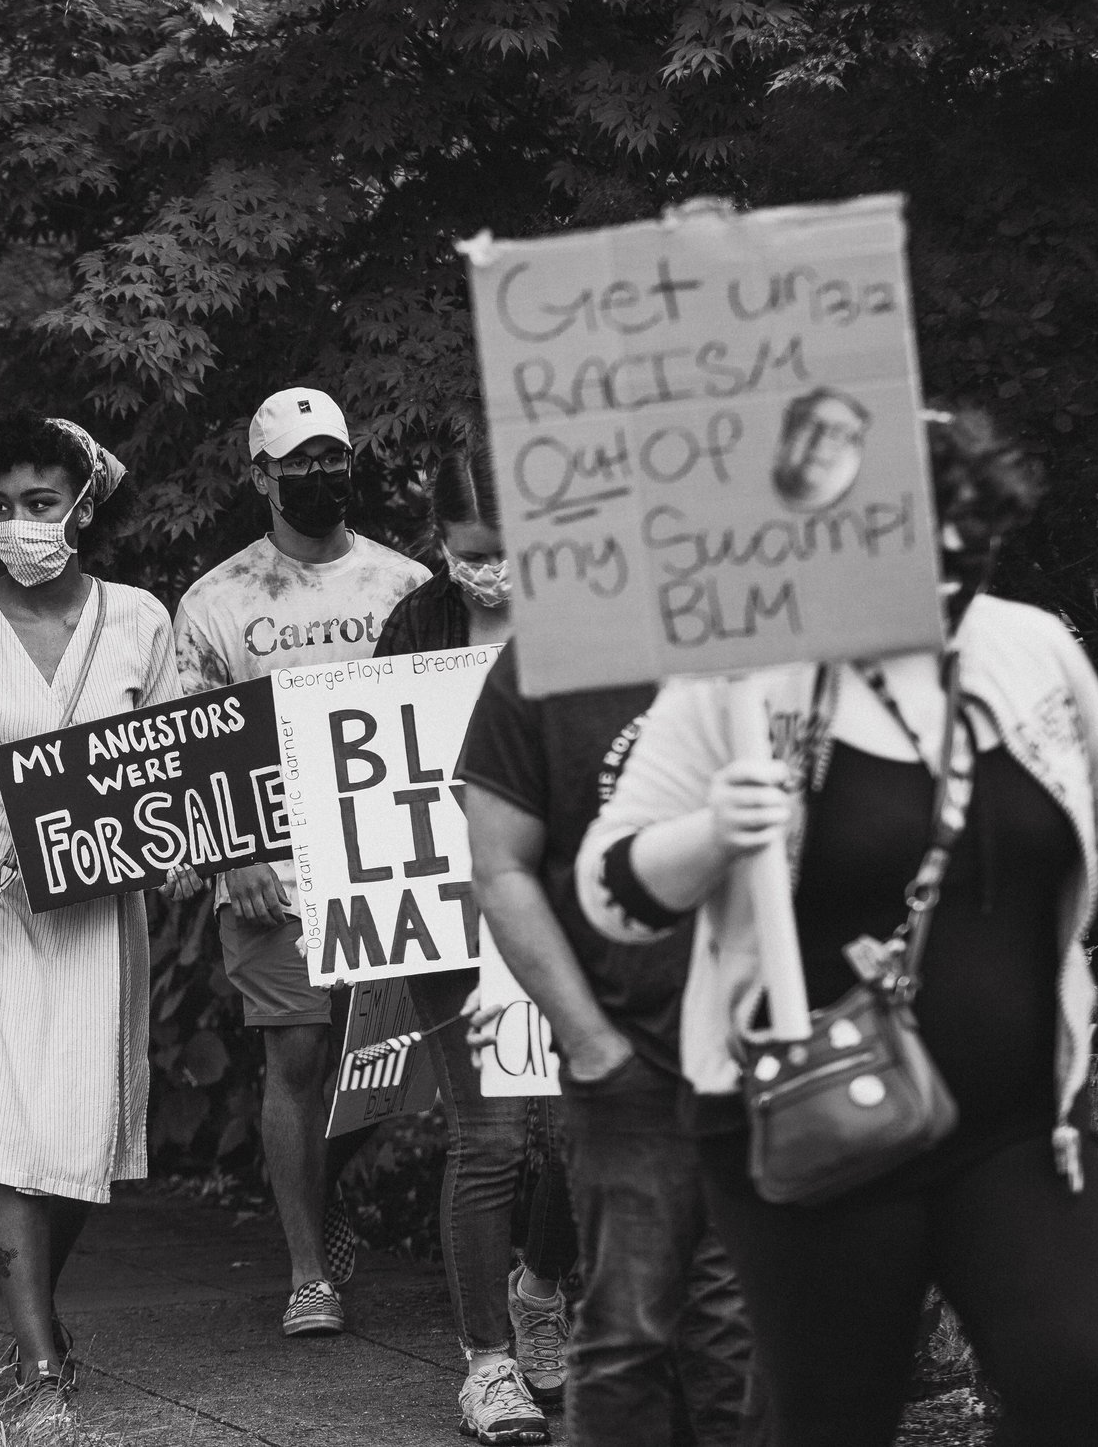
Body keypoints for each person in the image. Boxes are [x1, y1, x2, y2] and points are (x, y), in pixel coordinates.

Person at [574, 409, 1098, 1447]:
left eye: (966, 553)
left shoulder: (1031, 649)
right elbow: (610, 888)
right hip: (816, 1113)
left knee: (1073, 1379)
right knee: (833, 1417)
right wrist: (713, 831)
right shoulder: (741, 673)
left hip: (1018, 1119)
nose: (943, 585)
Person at [419, 435, 756, 1446]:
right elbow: (501, 863)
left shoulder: (772, 646)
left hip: (766, 1050)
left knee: (737, 1331)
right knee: (630, 1325)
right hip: (627, 1047)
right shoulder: (542, 665)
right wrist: (594, 1040)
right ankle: (502, 1351)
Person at [0, 413, 178, 1410]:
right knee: (3, 1125)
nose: (17, 524)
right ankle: (39, 1363)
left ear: (81, 509)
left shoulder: (143, 619)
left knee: (78, 1134)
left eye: (39, 504)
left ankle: (38, 1311)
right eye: (1, 505)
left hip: (100, 906)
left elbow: (172, 767)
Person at [168, 387, 429, 1339]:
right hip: (273, 866)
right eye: (298, 460)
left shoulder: (406, 585)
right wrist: (231, 850)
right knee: (299, 1053)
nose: (319, 474)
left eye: (333, 456)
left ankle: (331, 1192)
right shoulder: (217, 599)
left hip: (391, 860)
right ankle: (309, 1268)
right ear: (260, 475)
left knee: (394, 1060)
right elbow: (191, 737)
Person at [371, 435, 580, 1443]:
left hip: (563, 906)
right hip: (448, 912)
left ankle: (540, 1289)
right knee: (489, 1135)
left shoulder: (585, 615)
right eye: (468, 549)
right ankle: (488, 1362)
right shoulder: (416, 623)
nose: (488, 567)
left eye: (506, 547)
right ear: (441, 542)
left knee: (581, 1134)